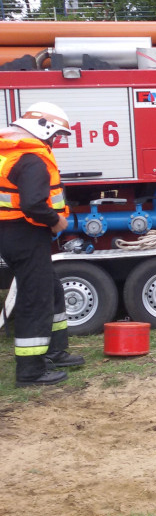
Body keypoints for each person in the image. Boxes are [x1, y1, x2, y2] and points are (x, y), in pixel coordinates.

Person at [0, 102, 85, 387]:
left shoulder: (11, 154)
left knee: (51, 289)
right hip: (25, 235)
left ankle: (54, 351)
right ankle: (30, 371)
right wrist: (55, 221)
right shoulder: (31, 160)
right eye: (57, 135)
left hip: (14, 234)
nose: (56, 141)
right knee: (35, 299)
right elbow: (33, 204)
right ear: (44, 128)